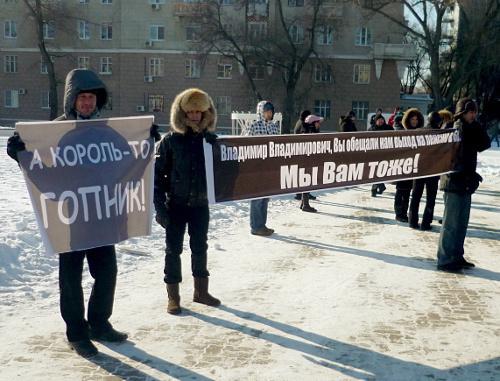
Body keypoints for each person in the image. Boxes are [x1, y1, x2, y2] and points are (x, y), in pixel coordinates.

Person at [6, 69, 133, 358]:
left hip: (102, 211)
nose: (87, 102)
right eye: (81, 97)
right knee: (71, 276)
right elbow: (43, 170)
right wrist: (20, 155)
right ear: (71, 99)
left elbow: (128, 161)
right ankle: (76, 333)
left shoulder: (108, 129)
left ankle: (99, 324)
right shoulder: (57, 130)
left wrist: (147, 142)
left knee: (106, 272)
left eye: (91, 97)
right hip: (71, 213)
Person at [154, 88, 220, 315]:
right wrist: (159, 207)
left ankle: (201, 292)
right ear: (182, 113)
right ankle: (173, 298)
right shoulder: (170, 142)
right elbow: (157, 177)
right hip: (176, 205)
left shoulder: (210, 142)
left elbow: (224, 171)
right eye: (190, 112)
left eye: (198, 113)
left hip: (200, 206)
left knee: (200, 248)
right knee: (173, 250)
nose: (194, 116)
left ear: (205, 114)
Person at [437, 97, 491, 272]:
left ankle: (457, 255)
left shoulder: (472, 128)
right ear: (462, 113)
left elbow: (485, 144)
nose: (473, 115)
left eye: (475, 112)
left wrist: (477, 126)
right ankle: (445, 259)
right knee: (450, 223)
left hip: (467, 182)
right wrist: (459, 127)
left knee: (461, 223)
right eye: (470, 112)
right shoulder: (452, 128)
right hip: (453, 182)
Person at [244, 100, 280, 236]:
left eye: (271, 112)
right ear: (261, 112)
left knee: (265, 197)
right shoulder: (253, 126)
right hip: (257, 167)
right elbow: (245, 144)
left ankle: (262, 225)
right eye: (267, 111)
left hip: (269, 167)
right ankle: (256, 226)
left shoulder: (274, 127)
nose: (269, 114)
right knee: (257, 198)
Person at [408, 111, 442, 230]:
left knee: (415, 196)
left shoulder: (418, 132)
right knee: (430, 198)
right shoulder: (441, 134)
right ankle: (426, 223)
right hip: (433, 170)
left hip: (419, 168)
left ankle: (412, 221)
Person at [393, 108, 424, 222]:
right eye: (412, 119)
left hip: (414, 166)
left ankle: (404, 213)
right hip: (402, 165)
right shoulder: (402, 132)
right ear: (408, 120)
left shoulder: (421, 133)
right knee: (401, 190)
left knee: (408, 191)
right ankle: (398, 213)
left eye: (416, 119)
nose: (415, 121)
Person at [295, 114, 323, 212]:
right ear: (312, 123)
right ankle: (305, 204)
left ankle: (304, 203)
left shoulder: (309, 131)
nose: (319, 124)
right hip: (306, 161)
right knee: (307, 181)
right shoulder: (309, 133)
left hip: (307, 161)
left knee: (307, 181)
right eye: (317, 122)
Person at [293, 110, 316, 201]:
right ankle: (301, 194)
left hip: (300, 152)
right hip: (301, 152)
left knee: (304, 174)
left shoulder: (301, 122)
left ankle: (305, 193)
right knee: (304, 174)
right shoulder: (302, 124)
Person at [368, 114, 393, 196]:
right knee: (375, 171)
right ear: (376, 121)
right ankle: (376, 188)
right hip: (374, 154)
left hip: (385, 153)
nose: (381, 121)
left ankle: (379, 186)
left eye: (382, 119)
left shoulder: (389, 128)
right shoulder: (371, 129)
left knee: (381, 171)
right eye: (379, 120)